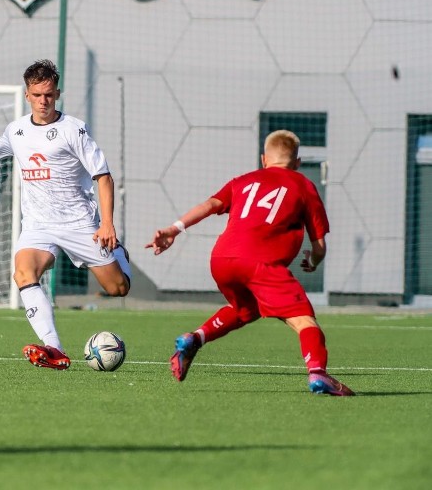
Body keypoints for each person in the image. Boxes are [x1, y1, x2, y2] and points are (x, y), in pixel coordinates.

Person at [0, 59, 131, 370]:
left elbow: (103, 176)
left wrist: (107, 224)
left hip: (79, 223)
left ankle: (118, 253)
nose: (43, 101)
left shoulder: (73, 130)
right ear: (27, 95)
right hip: (38, 225)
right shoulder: (17, 130)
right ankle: (55, 349)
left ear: (57, 93)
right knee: (23, 274)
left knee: (118, 289)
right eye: (37, 95)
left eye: (48, 94)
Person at [148, 130, 354, 396]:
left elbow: (210, 204)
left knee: (246, 309)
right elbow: (319, 246)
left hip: (222, 259)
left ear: (264, 159)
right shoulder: (303, 185)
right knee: (305, 323)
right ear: (298, 163)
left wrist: (174, 229)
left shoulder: (244, 181)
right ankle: (318, 374)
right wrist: (312, 261)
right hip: (260, 265)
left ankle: (194, 338)